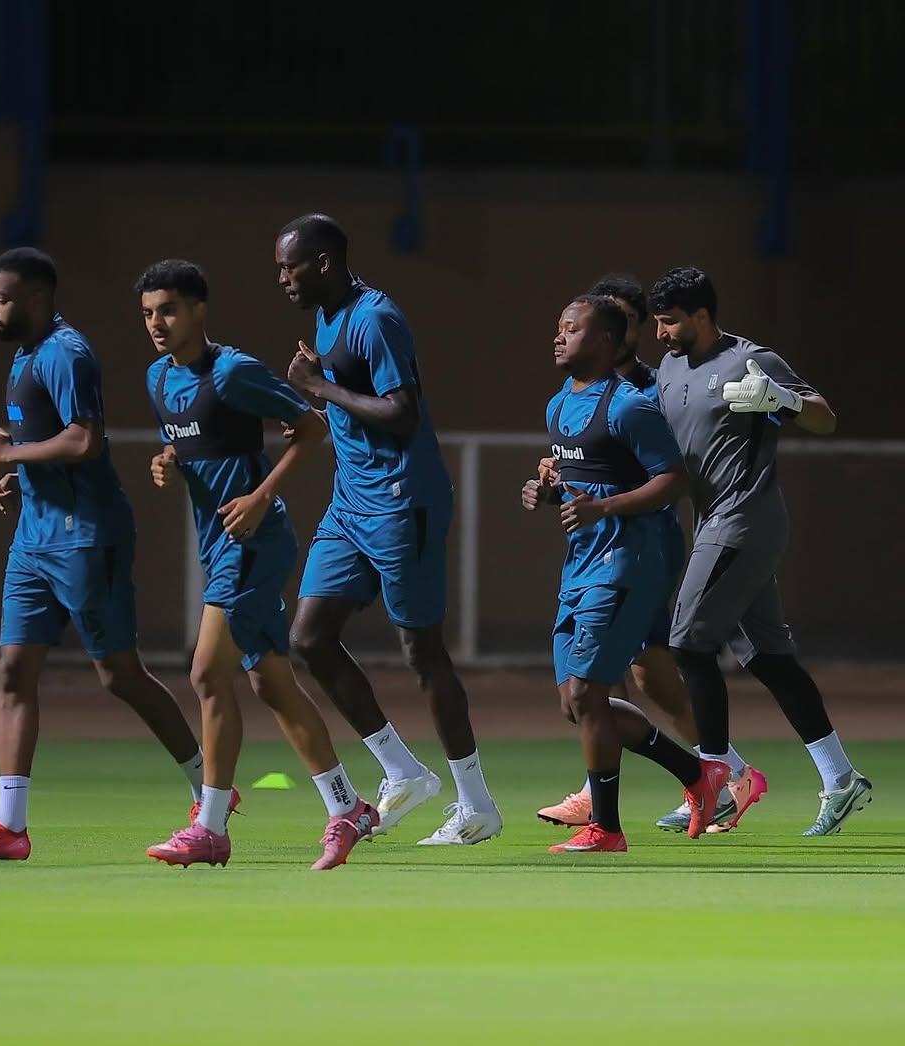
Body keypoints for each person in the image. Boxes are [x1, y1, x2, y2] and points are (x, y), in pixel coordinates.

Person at [0, 248, 204, 861]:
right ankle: (11, 826)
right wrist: (21, 476)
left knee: (120, 676)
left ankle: (208, 788)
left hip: (87, 536)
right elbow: (47, 440)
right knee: (12, 671)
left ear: (35, 298)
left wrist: (7, 456)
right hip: (34, 540)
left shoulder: (66, 352)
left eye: (0, 298)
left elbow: (85, 438)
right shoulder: (25, 355)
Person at [137, 259, 377, 871]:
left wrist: (261, 493)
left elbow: (308, 428)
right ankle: (347, 807)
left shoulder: (234, 370)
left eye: (167, 310)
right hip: (217, 544)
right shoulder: (159, 379)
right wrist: (168, 460)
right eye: (147, 313)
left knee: (205, 674)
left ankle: (211, 827)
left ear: (198, 310)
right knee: (271, 683)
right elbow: (195, 443)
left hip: (255, 541)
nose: (157, 323)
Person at [275, 212, 502, 845]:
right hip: (350, 504)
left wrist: (318, 385)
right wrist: (315, 399)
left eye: (288, 267)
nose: (281, 280)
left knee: (422, 654)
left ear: (322, 263)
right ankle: (402, 771)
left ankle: (476, 803)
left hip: (405, 503)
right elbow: (351, 402)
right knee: (310, 638)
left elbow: (402, 415)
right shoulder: (327, 317)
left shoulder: (376, 318)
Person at [536, 275, 766, 834]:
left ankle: (608, 820)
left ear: (616, 337)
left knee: (611, 688)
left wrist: (606, 507)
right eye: (560, 328)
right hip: (585, 559)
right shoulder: (561, 403)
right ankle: (708, 773)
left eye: (574, 328)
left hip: (631, 558)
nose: (559, 337)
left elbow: (672, 477)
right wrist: (548, 487)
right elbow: (579, 473)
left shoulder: (637, 399)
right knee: (586, 700)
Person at [649, 266, 871, 836]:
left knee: (689, 643)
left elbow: (825, 419)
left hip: (745, 520)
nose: (660, 333)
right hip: (713, 523)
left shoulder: (753, 360)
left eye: (670, 321)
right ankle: (841, 778)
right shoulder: (670, 367)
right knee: (768, 659)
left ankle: (717, 783)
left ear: (701, 316)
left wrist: (780, 400)